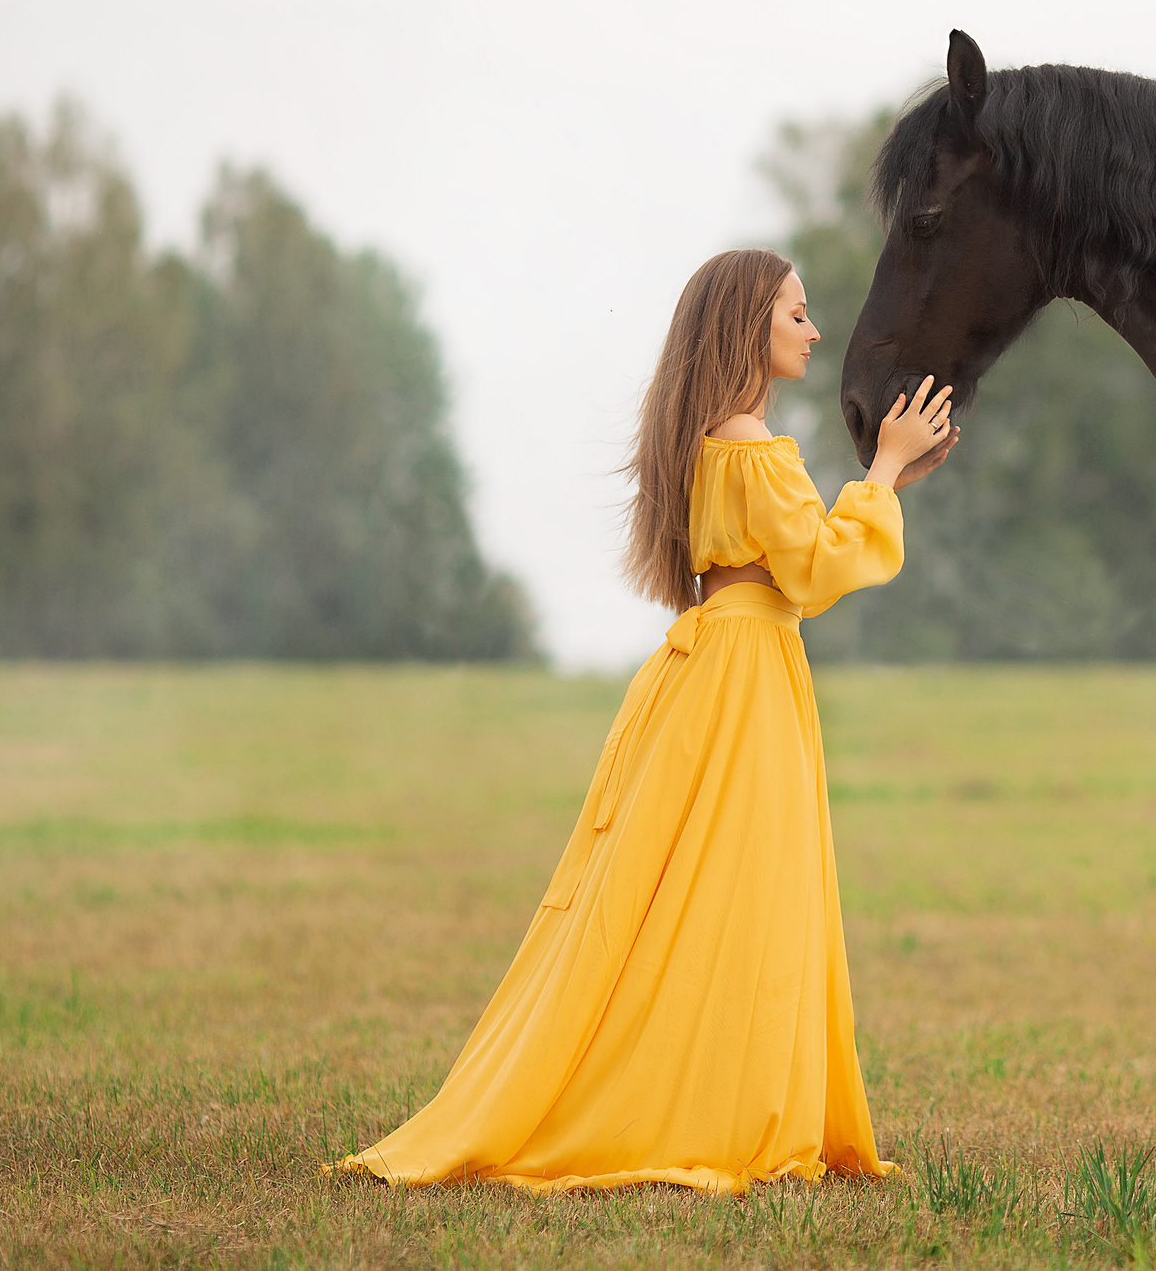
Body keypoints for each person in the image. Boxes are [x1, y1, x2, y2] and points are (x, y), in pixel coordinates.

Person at [334, 248, 956, 1195]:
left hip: (714, 668)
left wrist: (883, 485)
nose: (814, 328)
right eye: (796, 312)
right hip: (745, 681)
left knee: (691, 892)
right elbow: (818, 571)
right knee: (742, 893)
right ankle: (715, 1105)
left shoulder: (710, 439)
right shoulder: (751, 444)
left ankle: (689, 1085)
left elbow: (785, 553)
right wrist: (884, 468)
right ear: (751, 324)